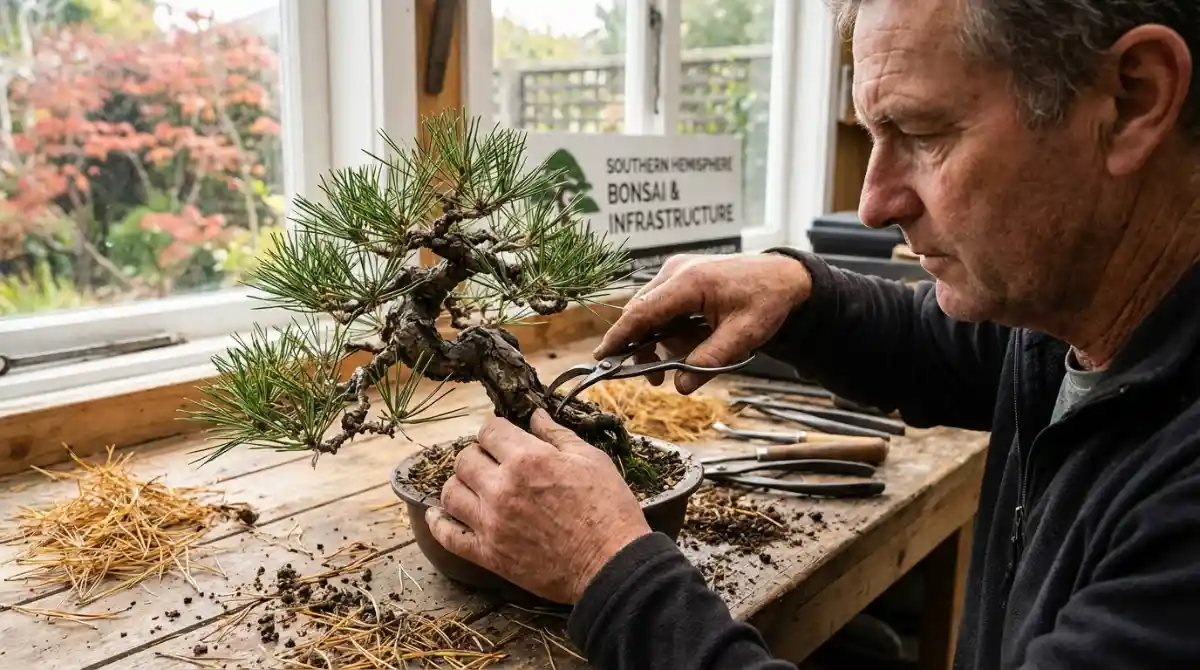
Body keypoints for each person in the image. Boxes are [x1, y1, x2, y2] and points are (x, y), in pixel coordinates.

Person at [424, 0, 1200, 667]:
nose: (873, 203)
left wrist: (608, 569)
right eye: (872, 132)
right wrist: (799, 292)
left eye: (923, 133)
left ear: (1132, 99)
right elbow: (974, 357)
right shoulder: (1083, 318)